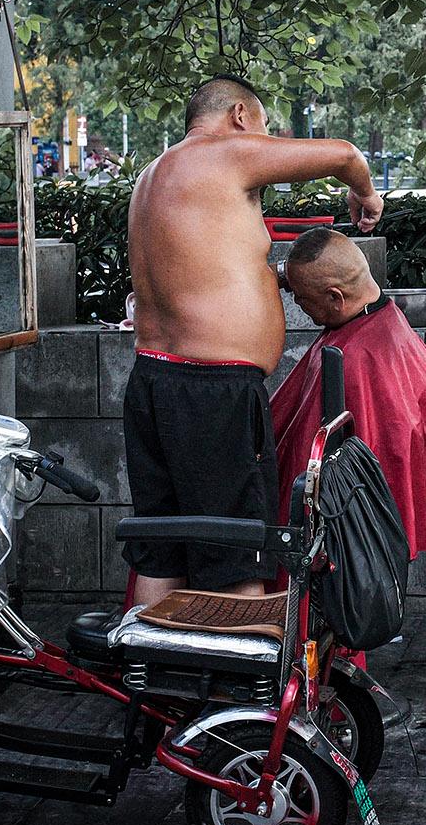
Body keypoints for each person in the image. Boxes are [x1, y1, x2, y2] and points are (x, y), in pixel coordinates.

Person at [123, 75, 383, 605]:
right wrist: (364, 191)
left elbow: (205, 272)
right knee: (240, 550)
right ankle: (239, 687)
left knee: (163, 545)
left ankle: (152, 680)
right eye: (262, 128)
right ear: (240, 116)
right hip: (213, 393)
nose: (262, 143)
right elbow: (346, 154)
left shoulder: (154, 174)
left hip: (153, 381)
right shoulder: (224, 153)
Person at [268, 227, 426, 559]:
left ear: (336, 298)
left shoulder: (355, 361)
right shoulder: (388, 324)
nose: (296, 303)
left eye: (302, 297)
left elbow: (302, 464)